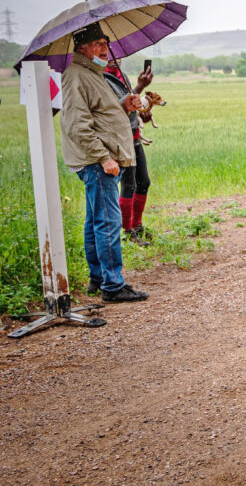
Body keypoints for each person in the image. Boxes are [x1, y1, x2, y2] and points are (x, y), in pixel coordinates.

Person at [60, 22, 149, 302]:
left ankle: (98, 278)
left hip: (103, 158)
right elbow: (77, 124)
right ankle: (113, 285)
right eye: (98, 44)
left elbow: (100, 112)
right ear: (83, 48)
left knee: (94, 221)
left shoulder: (94, 73)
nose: (104, 48)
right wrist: (104, 157)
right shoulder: (76, 76)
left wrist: (125, 106)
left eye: (105, 43)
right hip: (98, 161)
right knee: (108, 221)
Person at [103, 56, 154, 245]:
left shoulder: (121, 75)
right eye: (105, 55)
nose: (112, 59)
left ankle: (137, 225)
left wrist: (143, 113)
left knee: (144, 182)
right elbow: (116, 108)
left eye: (116, 55)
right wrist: (140, 87)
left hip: (133, 134)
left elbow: (130, 106)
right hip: (120, 140)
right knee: (129, 185)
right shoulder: (102, 79)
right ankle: (127, 231)